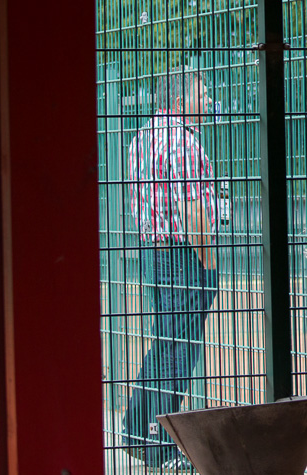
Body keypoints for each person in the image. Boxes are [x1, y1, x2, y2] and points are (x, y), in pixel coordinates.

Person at [123, 70, 218, 471]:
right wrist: (209, 261)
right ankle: (160, 445)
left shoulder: (142, 137)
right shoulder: (184, 141)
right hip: (184, 254)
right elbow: (193, 210)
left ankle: (136, 431)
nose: (209, 100)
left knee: (165, 342)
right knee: (180, 349)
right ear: (180, 103)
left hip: (154, 250)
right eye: (203, 93)